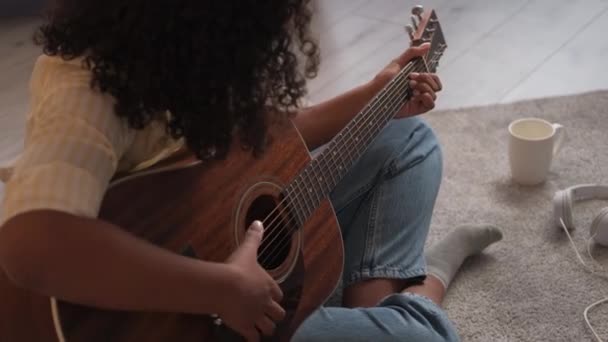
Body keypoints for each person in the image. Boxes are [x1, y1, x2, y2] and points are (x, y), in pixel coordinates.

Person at [0, 0, 502, 341]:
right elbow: (31, 245)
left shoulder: (195, 56)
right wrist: (220, 288)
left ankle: (367, 308)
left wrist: (376, 96)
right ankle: (426, 285)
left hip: (231, 270)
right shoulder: (86, 86)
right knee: (424, 337)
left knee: (407, 141)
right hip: (191, 318)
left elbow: (265, 144)